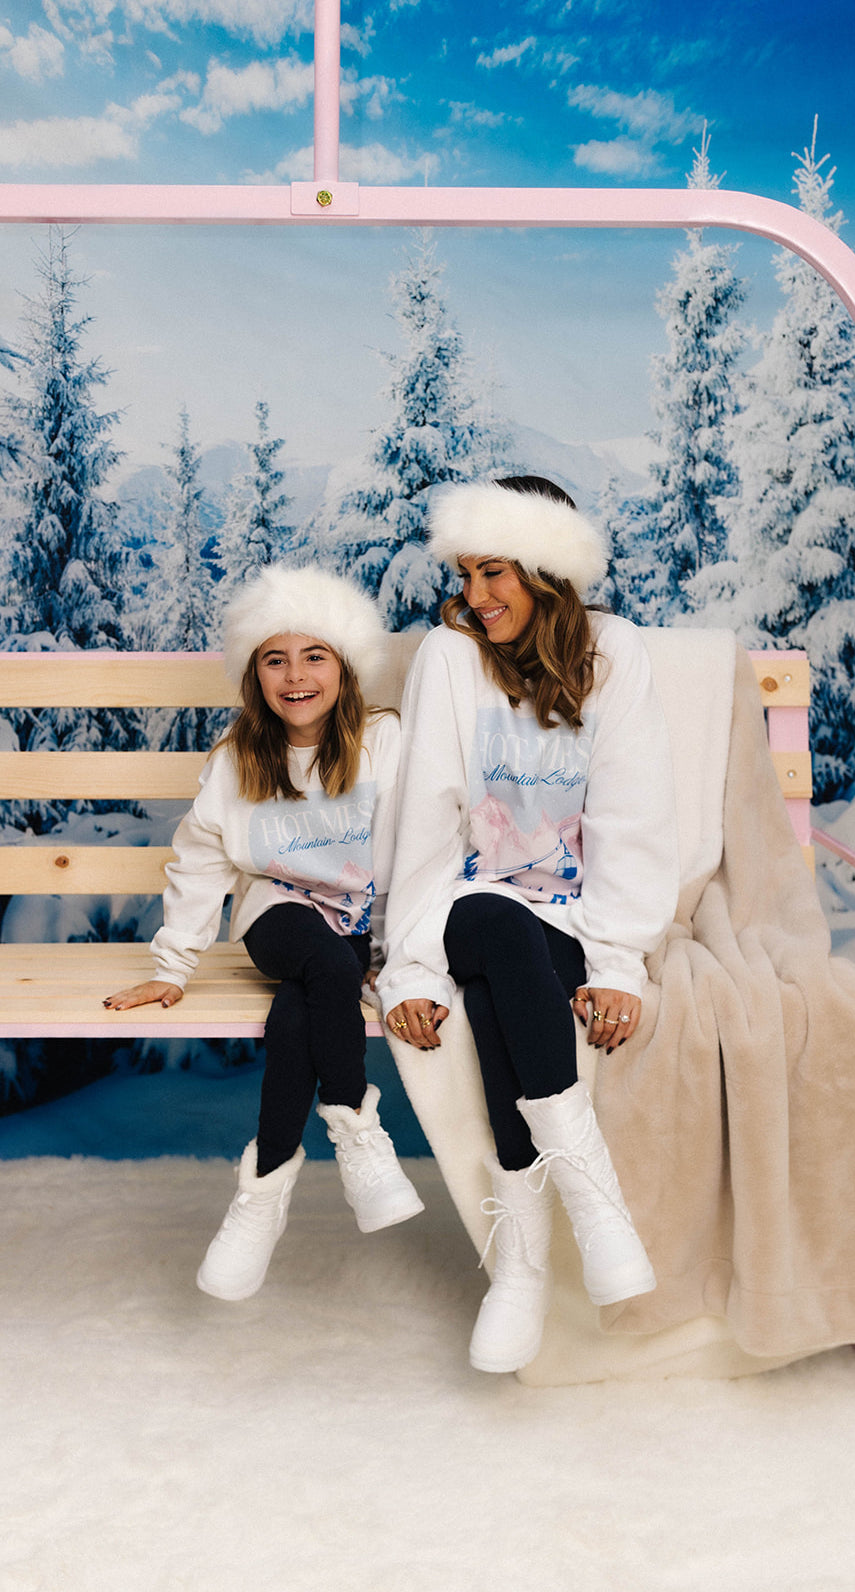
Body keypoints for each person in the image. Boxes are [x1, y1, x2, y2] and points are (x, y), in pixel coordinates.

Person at [378, 475, 679, 1374]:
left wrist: (618, 963)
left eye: (496, 571)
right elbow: (425, 820)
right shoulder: (447, 657)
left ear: (547, 571)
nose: (476, 595)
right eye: (467, 573)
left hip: (567, 919)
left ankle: (522, 1259)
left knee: (520, 980)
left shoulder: (615, 655)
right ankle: (593, 1203)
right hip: (465, 907)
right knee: (496, 934)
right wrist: (412, 971)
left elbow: (634, 817)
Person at [104, 565, 422, 1301]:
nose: (295, 675)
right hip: (274, 917)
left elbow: (421, 847)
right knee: (316, 961)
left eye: (314, 656)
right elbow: (199, 863)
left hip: (354, 930)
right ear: (254, 675)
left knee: (310, 999)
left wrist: (397, 955)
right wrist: (173, 967)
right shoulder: (235, 760)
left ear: (345, 667)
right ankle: (354, 1129)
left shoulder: (385, 742)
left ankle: (263, 1192)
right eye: (274, 659)